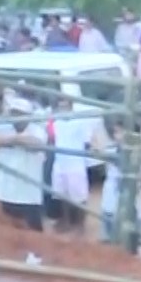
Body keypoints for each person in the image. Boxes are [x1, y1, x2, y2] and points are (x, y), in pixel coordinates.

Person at [0, 112, 48, 231]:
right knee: (4, 232)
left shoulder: (37, 130)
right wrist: (13, 140)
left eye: (20, 113)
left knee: (33, 234)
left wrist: (10, 139)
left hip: (29, 197)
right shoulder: (3, 128)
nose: (17, 117)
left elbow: (37, 143)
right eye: (14, 113)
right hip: (5, 193)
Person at [48, 96, 96, 237]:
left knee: (80, 196)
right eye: (60, 107)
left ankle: (81, 225)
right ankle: (67, 221)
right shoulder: (57, 123)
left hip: (76, 164)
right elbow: (53, 139)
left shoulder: (80, 122)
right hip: (60, 162)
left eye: (65, 106)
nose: (63, 109)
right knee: (62, 195)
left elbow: (87, 143)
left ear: (71, 107)